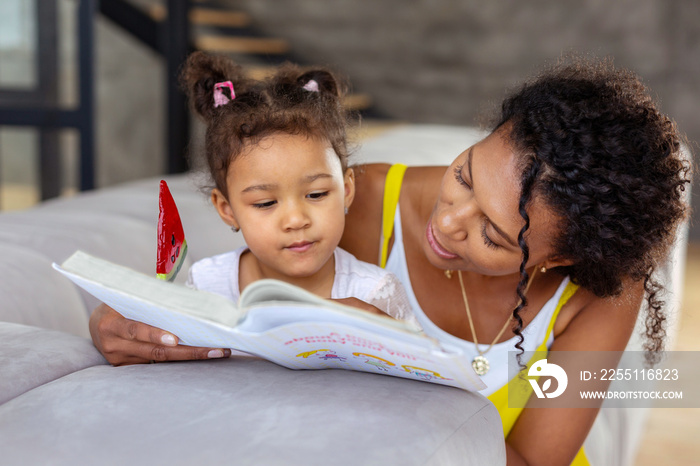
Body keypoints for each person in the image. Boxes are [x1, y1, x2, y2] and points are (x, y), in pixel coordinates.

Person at [89, 55, 691, 465]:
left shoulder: (601, 294)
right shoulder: (359, 203)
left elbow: (535, 458)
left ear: (564, 260)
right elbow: (242, 309)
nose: (447, 222)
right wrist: (131, 322)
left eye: (495, 236)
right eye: (465, 174)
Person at [89, 51, 417, 364]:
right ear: (227, 208)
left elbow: (420, 368)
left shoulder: (374, 292)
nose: (295, 220)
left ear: (346, 190)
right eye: (265, 202)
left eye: (316, 194)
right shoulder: (208, 284)